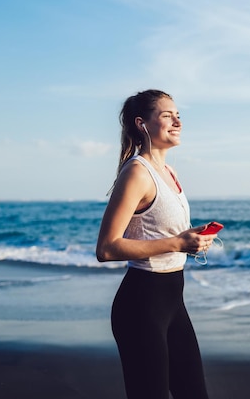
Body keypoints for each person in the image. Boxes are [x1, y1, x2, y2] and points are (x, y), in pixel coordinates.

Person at [96, 89, 216, 399]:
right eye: (167, 115)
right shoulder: (137, 173)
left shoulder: (169, 172)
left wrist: (192, 238)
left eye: (178, 115)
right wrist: (177, 243)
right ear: (142, 124)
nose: (177, 121)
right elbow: (107, 248)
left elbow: (156, 231)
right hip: (141, 305)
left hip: (173, 302)